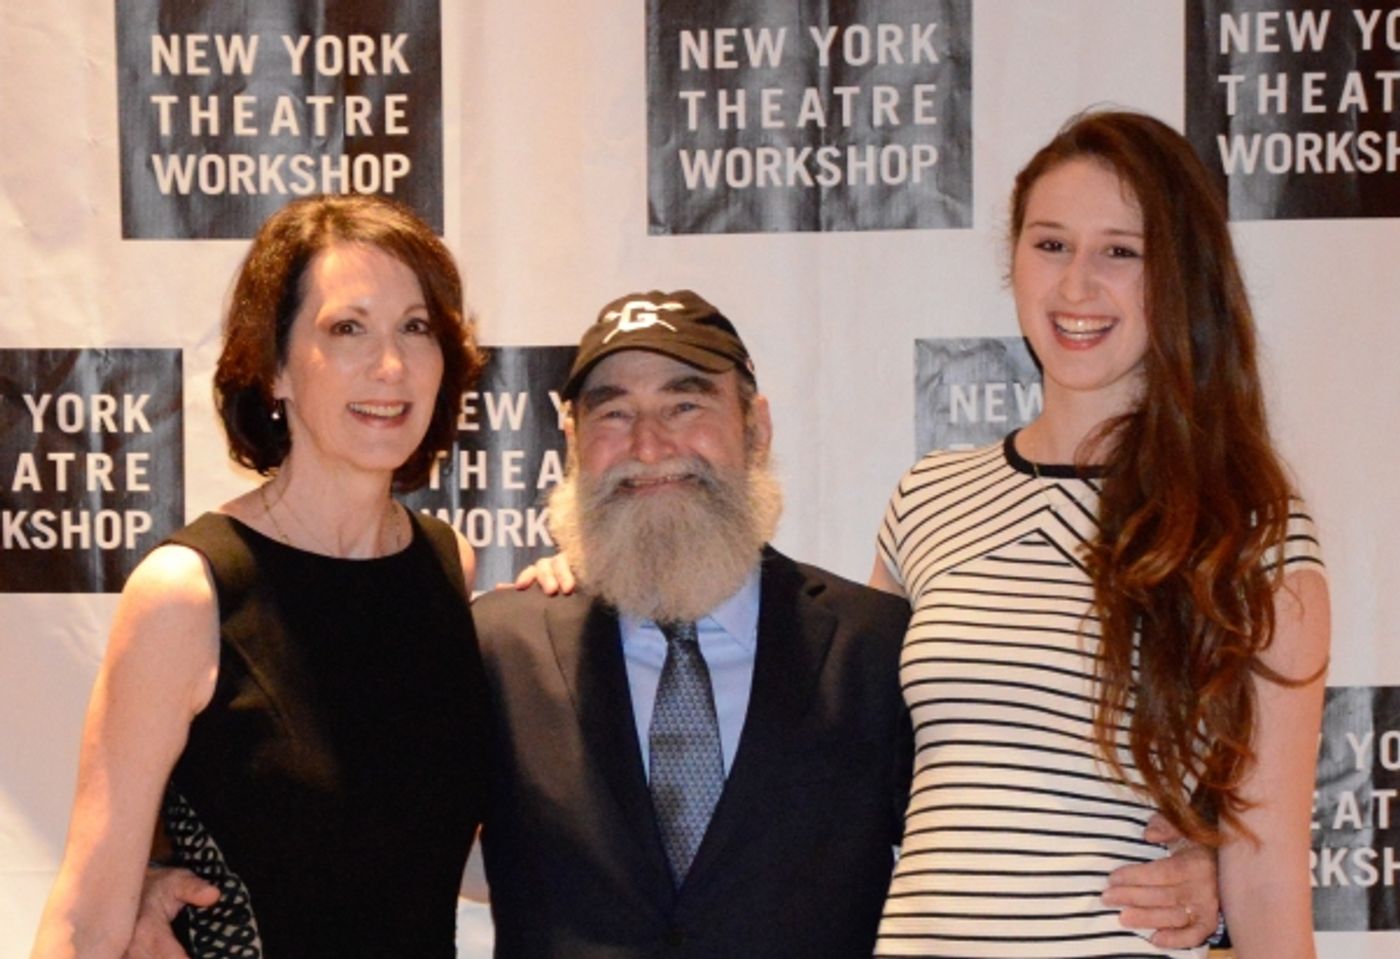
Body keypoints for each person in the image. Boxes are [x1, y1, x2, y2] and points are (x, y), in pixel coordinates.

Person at [479, 291, 1221, 957]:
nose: (649, 445)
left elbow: (1004, 825)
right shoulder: (498, 647)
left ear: (756, 427)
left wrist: (1210, 866)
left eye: (686, 404)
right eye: (613, 412)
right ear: (574, 445)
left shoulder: (879, 646)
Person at [868, 110, 1330, 957]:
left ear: (1180, 277)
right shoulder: (925, 499)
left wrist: (1221, 880)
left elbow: (1268, 886)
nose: (1076, 286)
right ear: (1013, 260)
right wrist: (612, 585)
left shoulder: (1250, 527)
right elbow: (836, 766)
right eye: (1050, 245)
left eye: (1121, 251)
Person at [30, 194, 490, 959]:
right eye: (348, 328)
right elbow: (83, 922)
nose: (391, 364)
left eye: (417, 327)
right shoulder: (189, 594)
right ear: (273, 367)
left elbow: (429, 849)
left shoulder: (448, 566)